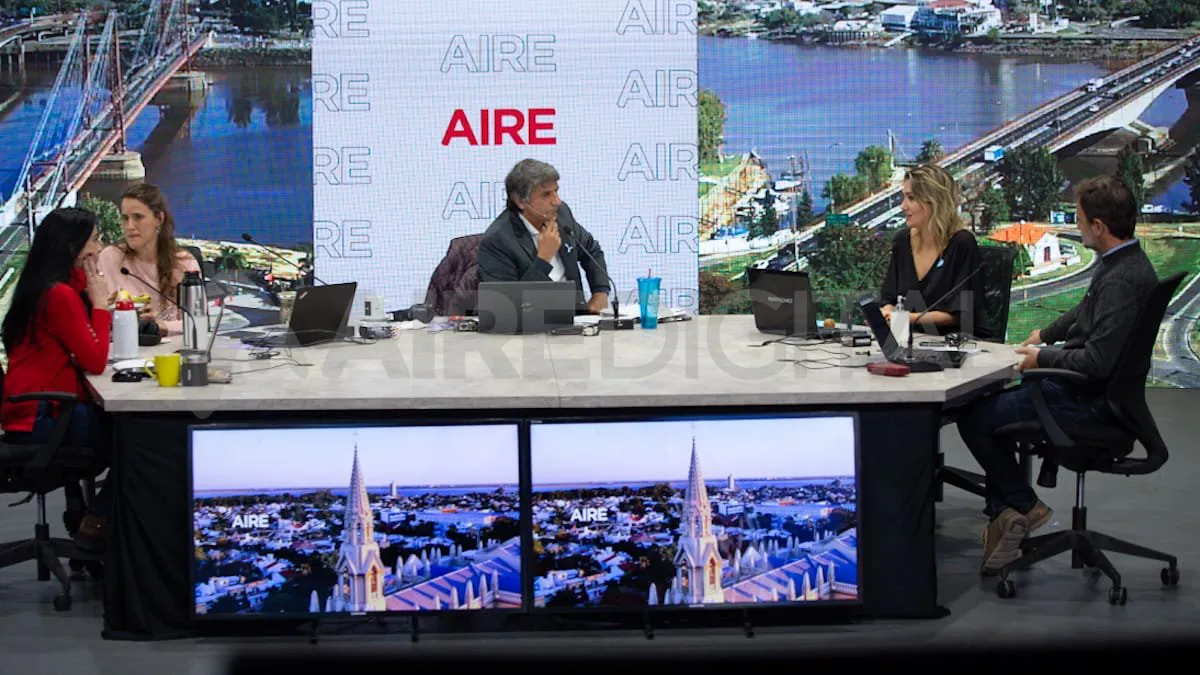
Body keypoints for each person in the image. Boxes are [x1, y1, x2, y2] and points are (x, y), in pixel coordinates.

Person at [956, 174, 1157, 575]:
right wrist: (1044, 334)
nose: (1077, 226)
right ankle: (1008, 514)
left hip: (1088, 404)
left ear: (1099, 228)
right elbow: (1086, 312)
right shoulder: (1126, 262)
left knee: (974, 416)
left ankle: (1023, 507)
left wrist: (1039, 358)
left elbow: (1095, 363)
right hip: (1094, 395)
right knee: (993, 408)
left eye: (1080, 220)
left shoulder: (1119, 280)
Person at [1, 207, 113, 551]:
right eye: (93, 241)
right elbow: (94, 360)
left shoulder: (41, 287)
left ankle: (82, 513)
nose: (98, 249)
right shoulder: (59, 296)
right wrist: (101, 305)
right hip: (45, 416)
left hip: (26, 412)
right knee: (134, 439)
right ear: (71, 247)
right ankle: (96, 520)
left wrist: (89, 280)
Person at [477, 159, 610, 313]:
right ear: (521, 201)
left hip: (577, 321)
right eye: (546, 194)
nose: (557, 201)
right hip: (530, 329)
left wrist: (600, 291)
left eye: (556, 191)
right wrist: (543, 260)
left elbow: (591, 250)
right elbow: (507, 308)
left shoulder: (561, 214)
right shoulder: (497, 241)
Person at [880, 164, 989, 339]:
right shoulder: (902, 241)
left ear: (934, 203)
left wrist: (906, 318)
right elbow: (890, 299)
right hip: (908, 341)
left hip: (954, 345)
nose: (903, 206)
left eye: (911, 198)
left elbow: (961, 315)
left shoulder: (962, 243)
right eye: (904, 197)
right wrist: (885, 312)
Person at [97, 183, 201, 336]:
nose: (130, 226)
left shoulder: (184, 264)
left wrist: (161, 325)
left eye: (138, 217)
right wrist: (108, 309)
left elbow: (198, 322)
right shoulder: (110, 258)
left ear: (159, 219)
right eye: (125, 218)